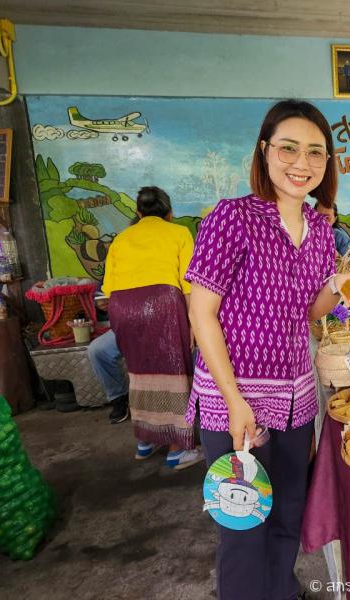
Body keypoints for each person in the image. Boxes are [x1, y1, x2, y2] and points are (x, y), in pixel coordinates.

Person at [186, 99, 350, 600]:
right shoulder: (232, 218)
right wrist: (233, 402)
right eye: (288, 148)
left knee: (288, 514)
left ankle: (280, 592)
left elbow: (309, 310)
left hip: (296, 399)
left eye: (316, 152)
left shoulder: (319, 231)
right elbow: (201, 314)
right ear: (265, 151)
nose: (302, 163)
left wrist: (340, 285)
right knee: (244, 525)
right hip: (236, 400)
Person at [101, 186, 201, 469]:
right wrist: (194, 324)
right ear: (169, 213)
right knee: (174, 374)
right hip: (163, 305)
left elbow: (109, 290)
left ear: (138, 212)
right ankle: (177, 449)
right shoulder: (179, 232)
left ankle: (145, 442)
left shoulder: (121, 239)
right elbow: (189, 284)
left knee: (138, 373)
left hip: (122, 307)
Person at [86, 310, 129, 424]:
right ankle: (119, 397)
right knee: (98, 350)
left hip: (165, 321)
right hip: (130, 322)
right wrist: (104, 307)